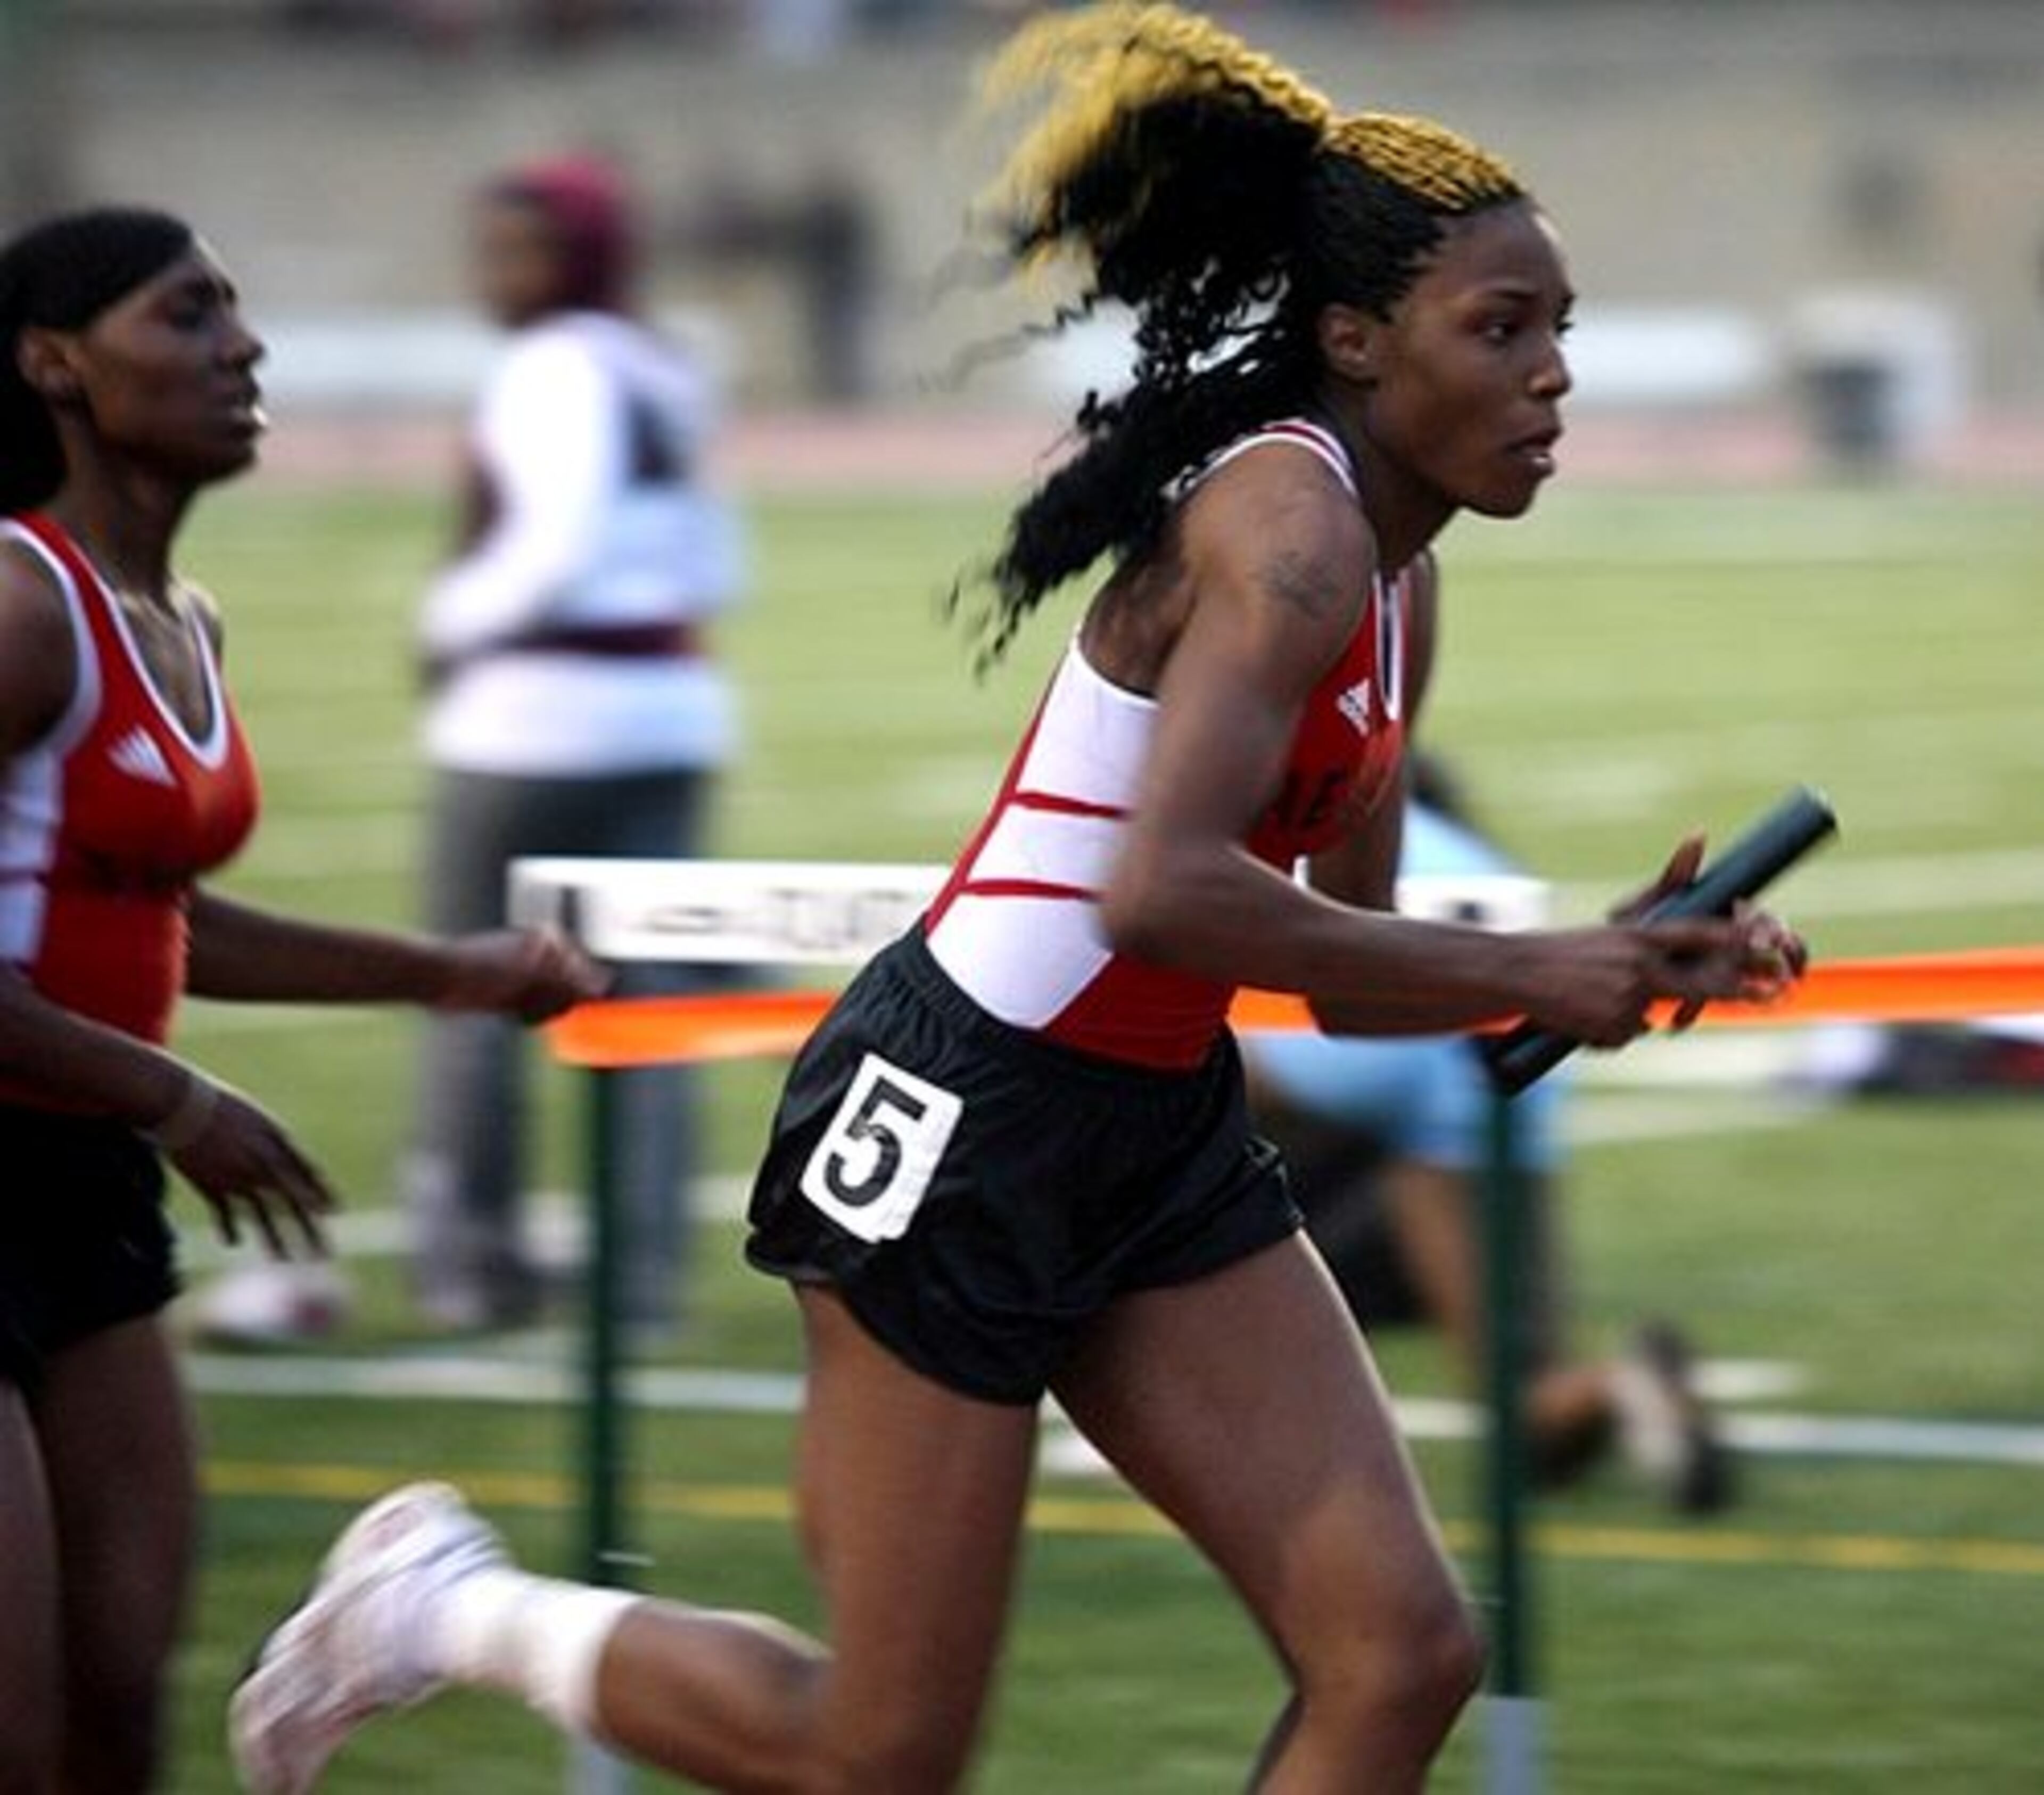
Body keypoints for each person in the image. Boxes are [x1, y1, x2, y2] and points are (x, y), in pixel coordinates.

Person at [230, 8, 1805, 1792]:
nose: (1552, 378)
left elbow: (1344, 976)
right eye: (1501, 331)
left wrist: (1604, 963)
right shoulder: (1287, 534)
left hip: (1151, 1128)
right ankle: (443, 1606)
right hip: (964, 1116)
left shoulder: (1398, 582)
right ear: (1358, 342)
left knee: (1403, 1652)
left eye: (1562, 334)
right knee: (876, 1750)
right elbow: (1163, 895)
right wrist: (1539, 957)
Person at [0, 205, 603, 1795]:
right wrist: (176, 1095)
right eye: (186, 316)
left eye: (237, 313)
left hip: (82, 1187)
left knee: (116, 1707)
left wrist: (447, 976)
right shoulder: (15, 604)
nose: (243, 347)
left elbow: (153, 912)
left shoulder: (181, 621)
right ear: (53, 363)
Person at [401, 151, 744, 1336]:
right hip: (668, 710)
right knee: (652, 999)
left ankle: (469, 1260)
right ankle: (640, 1276)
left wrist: (445, 622)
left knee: (471, 985)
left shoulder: (545, 369)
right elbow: (713, 556)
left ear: (579, 257)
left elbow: (555, 543)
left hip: (530, 720)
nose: (494, 275)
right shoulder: (662, 364)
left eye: (520, 250)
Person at [1243, 752, 1732, 1512]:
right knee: (1522, 1408)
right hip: (1510, 1072)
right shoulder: (1475, 855)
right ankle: (1609, 1389)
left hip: (1338, 1045)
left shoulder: (1320, 815)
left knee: (1152, 1092)